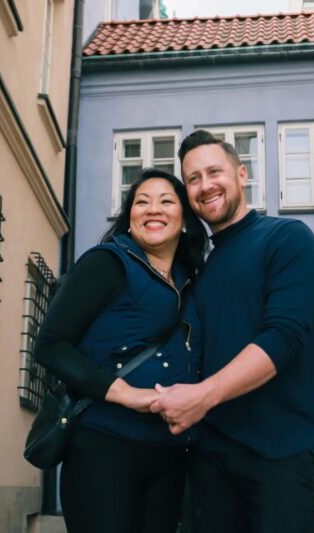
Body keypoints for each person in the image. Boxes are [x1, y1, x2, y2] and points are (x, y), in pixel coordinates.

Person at [150, 129, 314, 533]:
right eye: (193, 179)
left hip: (280, 455)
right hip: (210, 457)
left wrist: (200, 397)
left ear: (242, 174)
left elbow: (282, 338)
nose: (205, 185)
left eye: (214, 172)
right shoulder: (201, 269)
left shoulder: (287, 238)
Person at [33, 168, 209, 533]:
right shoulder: (107, 263)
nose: (152, 209)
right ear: (130, 217)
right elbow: (50, 345)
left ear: (185, 218)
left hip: (170, 454)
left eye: (165, 201)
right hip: (103, 447)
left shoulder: (192, 280)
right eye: (141, 202)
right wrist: (126, 394)